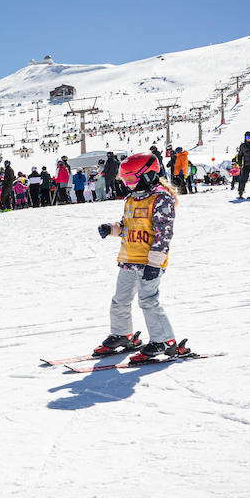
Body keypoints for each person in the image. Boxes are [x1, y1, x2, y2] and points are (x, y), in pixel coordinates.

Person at [93, 153, 186, 362]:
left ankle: (163, 341)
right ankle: (122, 335)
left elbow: (164, 233)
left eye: (132, 180)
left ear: (149, 174)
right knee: (120, 300)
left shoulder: (161, 198)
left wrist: (155, 262)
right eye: (125, 181)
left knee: (148, 301)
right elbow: (127, 225)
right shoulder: (131, 199)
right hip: (129, 258)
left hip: (149, 262)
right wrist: (112, 229)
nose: (129, 185)